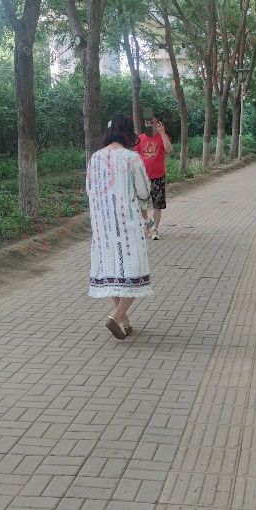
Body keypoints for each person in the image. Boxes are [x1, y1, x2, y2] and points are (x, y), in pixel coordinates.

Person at [86, 113, 153, 340]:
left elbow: (90, 190)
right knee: (134, 272)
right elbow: (143, 191)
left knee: (112, 272)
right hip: (127, 225)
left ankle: (124, 320)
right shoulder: (131, 158)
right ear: (127, 132)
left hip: (102, 226)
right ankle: (116, 316)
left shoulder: (95, 158)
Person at [136, 114, 173, 240]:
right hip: (142, 178)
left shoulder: (162, 137)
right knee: (142, 204)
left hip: (158, 177)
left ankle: (155, 228)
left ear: (158, 124)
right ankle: (148, 223)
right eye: (148, 123)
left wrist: (162, 133)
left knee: (157, 205)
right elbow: (135, 157)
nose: (150, 125)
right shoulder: (140, 138)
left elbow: (169, 150)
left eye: (153, 123)